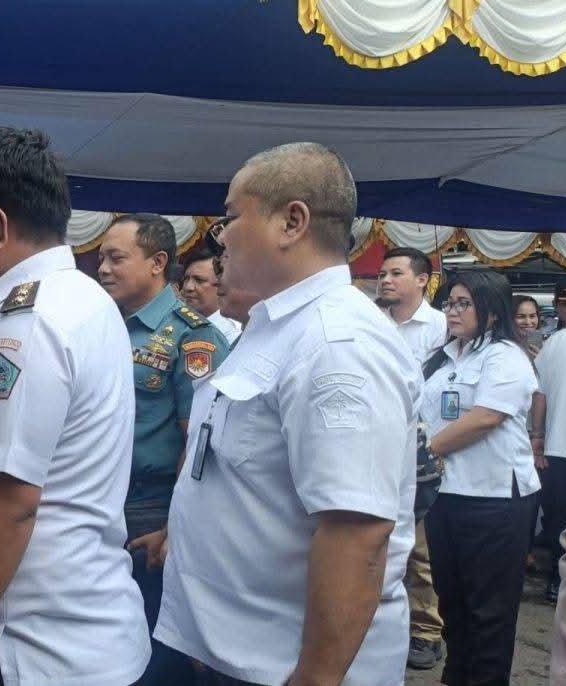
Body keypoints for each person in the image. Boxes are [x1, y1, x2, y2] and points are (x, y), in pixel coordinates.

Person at [158, 143, 415, 686]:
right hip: (235, 650)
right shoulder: (276, 326)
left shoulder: (336, 342)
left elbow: (358, 534)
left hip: (282, 668)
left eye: (231, 217)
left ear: (291, 222)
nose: (220, 235)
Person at [0, 127, 149, 686]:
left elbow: (7, 501)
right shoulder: (77, 298)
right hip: (49, 637)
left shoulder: (28, 327)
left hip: (23, 651)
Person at [96, 212, 230, 685]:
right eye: (101, 258)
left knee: (154, 648)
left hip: (151, 510)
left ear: (157, 263)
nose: (103, 268)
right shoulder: (100, 322)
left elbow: (201, 443)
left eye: (116, 258)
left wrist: (176, 526)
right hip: (97, 501)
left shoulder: (193, 337)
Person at [419, 271, 539, 685]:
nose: (452, 312)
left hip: (494, 501)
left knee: (489, 614)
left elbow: (485, 417)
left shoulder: (505, 355)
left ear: (490, 313)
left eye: (463, 303)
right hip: (446, 495)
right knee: (453, 606)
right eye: (449, 303)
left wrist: (423, 451)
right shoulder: (445, 356)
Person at [373, 245, 448, 671]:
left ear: (422, 280)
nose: (385, 279)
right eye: (382, 273)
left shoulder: (439, 328)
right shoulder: (371, 323)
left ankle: (425, 631)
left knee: (418, 551)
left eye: (396, 273)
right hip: (379, 443)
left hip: (422, 450)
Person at [538, 289, 566, 603]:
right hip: (557, 445)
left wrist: (537, 439)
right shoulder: (557, 342)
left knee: (560, 519)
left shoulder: (555, 342)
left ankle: (557, 582)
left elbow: (539, 396)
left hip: (557, 447)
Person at [178, 248, 241, 344]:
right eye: (186, 279)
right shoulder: (178, 324)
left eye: (199, 280)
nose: (187, 287)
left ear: (222, 284)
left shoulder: (230, 334)